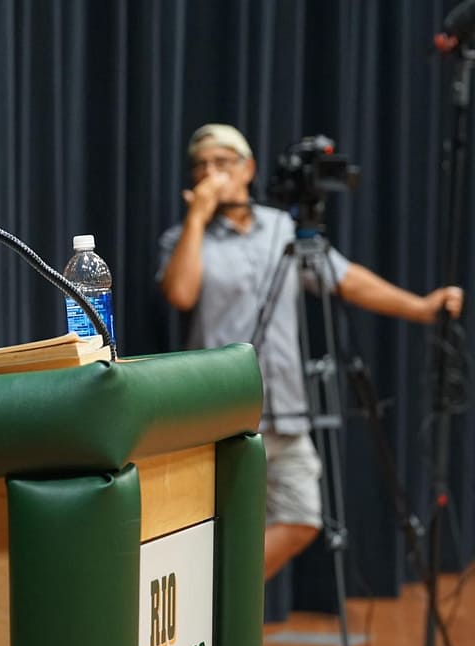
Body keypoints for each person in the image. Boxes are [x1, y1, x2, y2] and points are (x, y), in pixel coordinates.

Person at [156, 123, 463, 582]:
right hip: (221, 415)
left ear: (248, 169)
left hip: (286, 408)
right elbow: (180, 294)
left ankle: (222, 600)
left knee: (303, 517)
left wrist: (421, 308)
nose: (210, 174)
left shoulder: (282, 227)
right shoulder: (182, 238)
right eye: (201, 166)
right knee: (217, 526)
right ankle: (222, 625)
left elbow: (346, 279)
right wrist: (197, 219)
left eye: (222, 163)